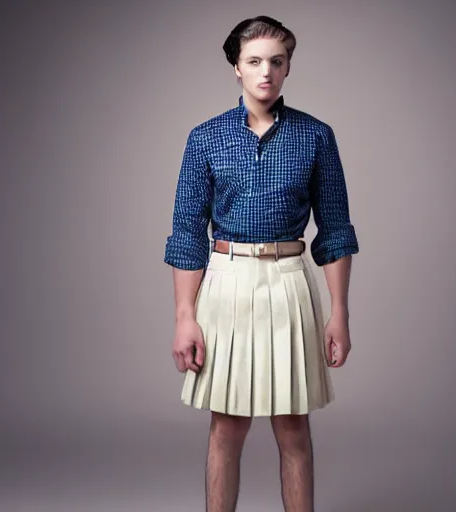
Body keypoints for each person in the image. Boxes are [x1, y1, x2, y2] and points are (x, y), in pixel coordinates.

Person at [164, 15, 359, 512]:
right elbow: (187, 234)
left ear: (289, 66)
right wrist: (185, 317)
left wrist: (340, 312)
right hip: (225, 281)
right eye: (254, 61)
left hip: (290, 281)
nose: (265, 71)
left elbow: (334, 230)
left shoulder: (317, 136)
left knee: (292, 423)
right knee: (226, 424)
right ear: (236, 67)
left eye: (276, 60)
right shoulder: (204, 138)